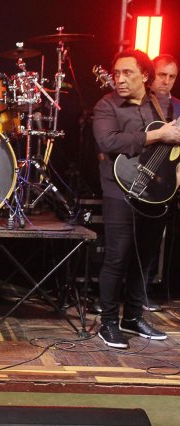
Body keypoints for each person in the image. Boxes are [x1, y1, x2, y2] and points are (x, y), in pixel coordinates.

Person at [92, 49, 180, 348]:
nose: (120, 79)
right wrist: (157, 136)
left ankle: (132, 317)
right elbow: (108, 141)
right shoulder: (106, 105)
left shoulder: (161, 104)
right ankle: (108, 323)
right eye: (116, 73)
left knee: (145, 257)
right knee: (117, 257)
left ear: (144, 75)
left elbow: (172, 144)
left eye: (127, 73)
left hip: (155, 191)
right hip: (119, 189)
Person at [142, 54, 180, 312]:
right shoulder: (141, 104)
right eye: (162, 75)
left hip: (167, 180)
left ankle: (144, 291)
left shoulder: (177, 107)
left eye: (172, 76)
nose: (167, 81)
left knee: (155, 238)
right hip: (139, 175)